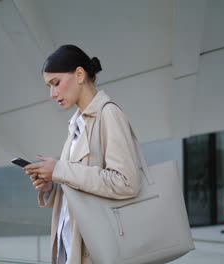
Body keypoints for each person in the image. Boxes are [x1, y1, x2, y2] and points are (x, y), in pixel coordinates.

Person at [23, 44, 141, 264]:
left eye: (56, 83)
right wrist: (51, 185)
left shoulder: (108, 114)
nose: (52, 93)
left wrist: (59, 169)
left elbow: (127, 182)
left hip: (98, 250)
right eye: (49, 86)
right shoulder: (77, 123)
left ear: (79, 74)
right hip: (71, 248)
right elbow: (80, 186)